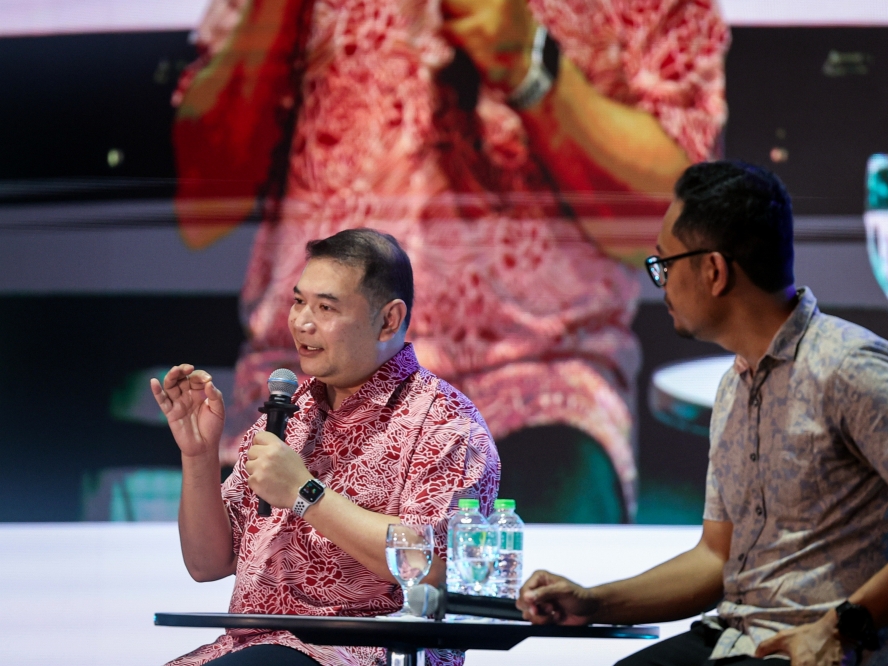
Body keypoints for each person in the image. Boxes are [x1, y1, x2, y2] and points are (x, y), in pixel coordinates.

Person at [171, 0, 730, 522]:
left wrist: (529, 66)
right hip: (312, 387)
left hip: (531, 392)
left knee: (538, 605)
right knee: (253, 611)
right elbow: (200, 211)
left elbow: (666, 226)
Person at [515, 161, 888, 665]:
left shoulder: (849, 367)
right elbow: (715, 560)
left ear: (714, 271)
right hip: (736, 637)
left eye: (665, 264)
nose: (661, 284)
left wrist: (844, 623)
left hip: (821, 650)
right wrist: (592, 602)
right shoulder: (735, 385)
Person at [151, 229, 500, 666]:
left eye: (326, 307)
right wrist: (199, 457)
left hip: (365, 656)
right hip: (247, 651)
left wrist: (305, 493)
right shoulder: (286, 412)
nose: (302, 322)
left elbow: (437, 567)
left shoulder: (447, 425)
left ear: (389, 320)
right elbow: (206, 564)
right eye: (299, 302)